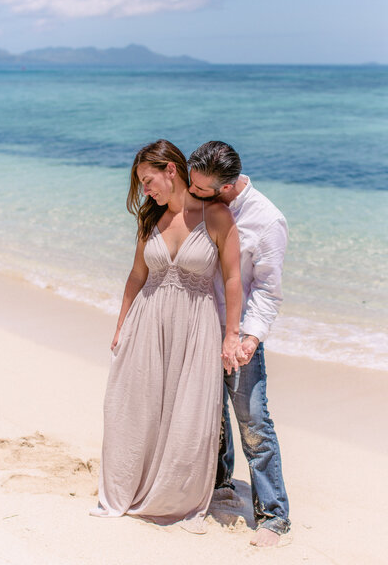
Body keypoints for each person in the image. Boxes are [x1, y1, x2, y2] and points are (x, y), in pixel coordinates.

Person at [90, 139, 243, 533]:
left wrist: (232, 336)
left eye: (148, 180)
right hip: (148, 320)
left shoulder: (217, 216)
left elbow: (232, 279)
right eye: (142, 183)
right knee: (136, 404)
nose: (146, 189)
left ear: (170, 170)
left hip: (196, 326)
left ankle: (175, 493)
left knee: (187, 411)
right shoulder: (149, 217)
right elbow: (137, 275)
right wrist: (121, 324)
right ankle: (131, 483)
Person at [188, 140, 291, 546]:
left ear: (226, 188)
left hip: (240, 336)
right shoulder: (204, 201)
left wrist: (247, 339)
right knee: (210, 416)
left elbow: (268, 290)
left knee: (253, 422)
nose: (193, 195)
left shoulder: (267, 220)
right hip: (199, 329)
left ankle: (274, 515)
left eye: (200, 190)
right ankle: (220, 484)